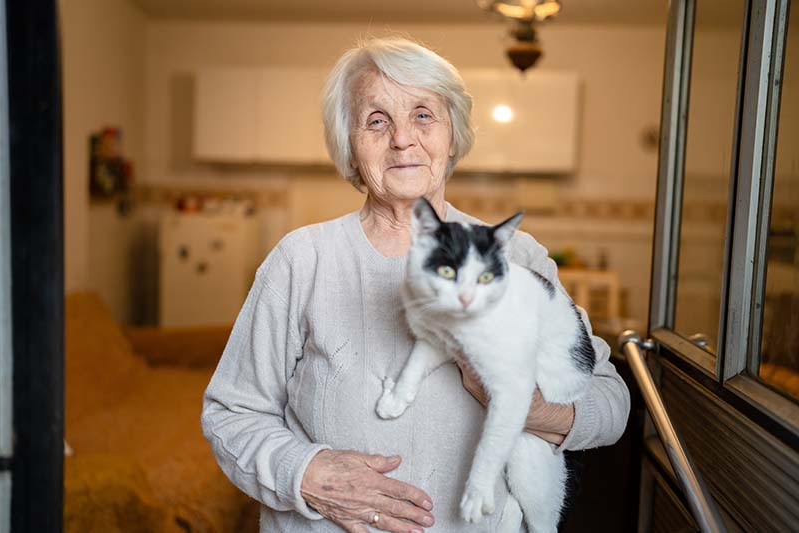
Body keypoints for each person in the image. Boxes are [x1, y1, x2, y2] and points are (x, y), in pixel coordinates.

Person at [201, 36, 630, 533]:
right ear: (350, 146)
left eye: (424, 115)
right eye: (377, 120)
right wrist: (311, 475)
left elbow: (611, 405)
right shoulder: (302, 260)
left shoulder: (515, 257)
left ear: (453, 134)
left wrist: (531, 408)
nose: (403, 139)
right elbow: (231, 413)